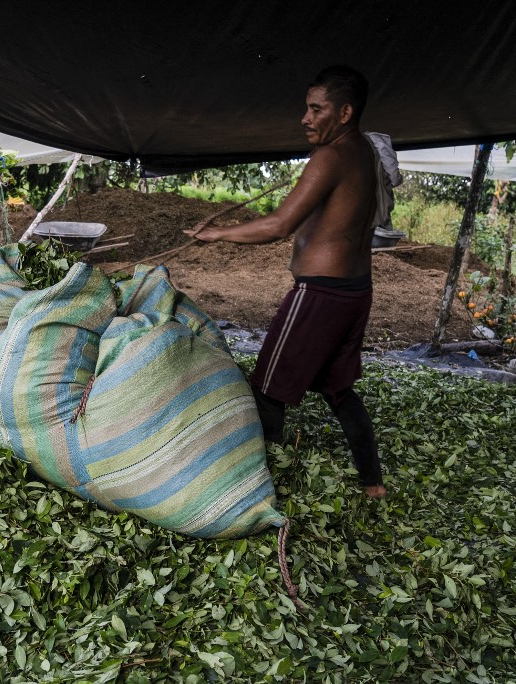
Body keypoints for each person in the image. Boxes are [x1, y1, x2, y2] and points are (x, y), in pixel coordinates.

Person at [183, 65, 389, 498]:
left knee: (265, 388)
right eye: (307, 109)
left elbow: (279, 225)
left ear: (346, 112)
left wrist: (216, 233)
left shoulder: (331, 156)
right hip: (354, 291)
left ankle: (254, 492)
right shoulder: (363, 153)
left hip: (321, 292)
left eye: (317, 109)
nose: (305, 118)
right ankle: (373, 486)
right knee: (338, 389)